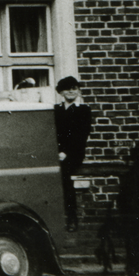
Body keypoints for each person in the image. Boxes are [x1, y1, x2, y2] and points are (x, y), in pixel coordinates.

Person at [54, 76, 92, 232]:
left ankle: (71, 218)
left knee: (65, 175)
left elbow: (81, 136)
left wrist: (66, 153)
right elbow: (52, 133)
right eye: (68, 88)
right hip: (57, 153)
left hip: (74, 154)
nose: (71, 91)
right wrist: (56, 151)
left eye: (74, 88)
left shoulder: (84, 110)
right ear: (61, 92)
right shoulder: (56, 110)